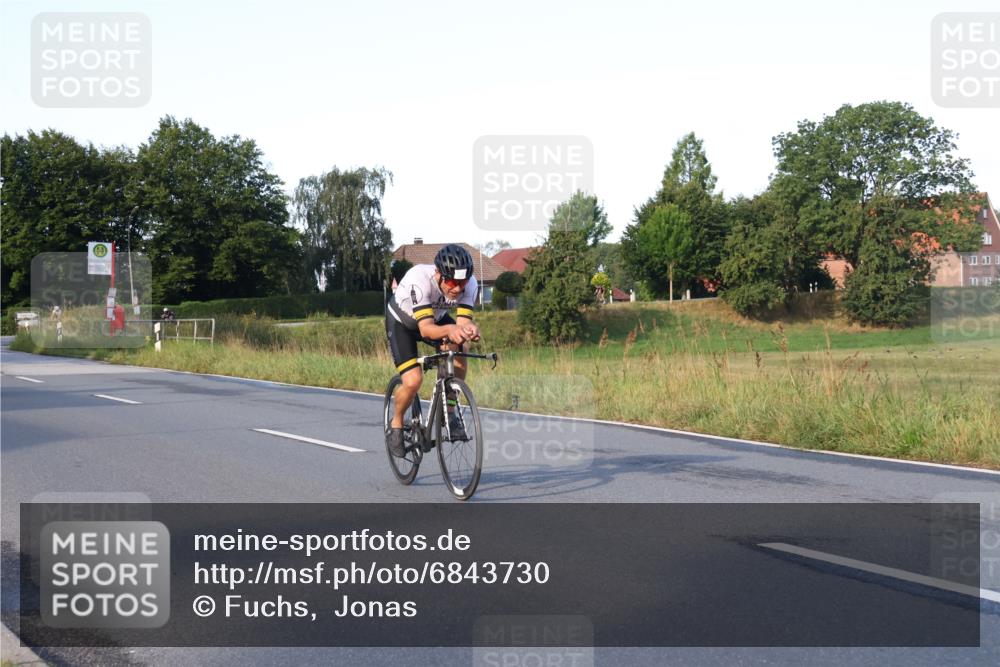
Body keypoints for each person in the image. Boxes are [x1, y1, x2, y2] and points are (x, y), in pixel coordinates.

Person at [385, 244, 481, 456]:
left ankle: (449, 411)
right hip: (403, 323)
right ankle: (396, 423)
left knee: (460, 349)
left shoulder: (471, 284)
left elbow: (463, 324)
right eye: (452, 282)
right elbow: (426, 329)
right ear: (438, 273)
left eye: (463, 283)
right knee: (413, 381)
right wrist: (450, 329)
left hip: (435, 318)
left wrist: (469, 330)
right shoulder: (419, 278)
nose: (458, 289)